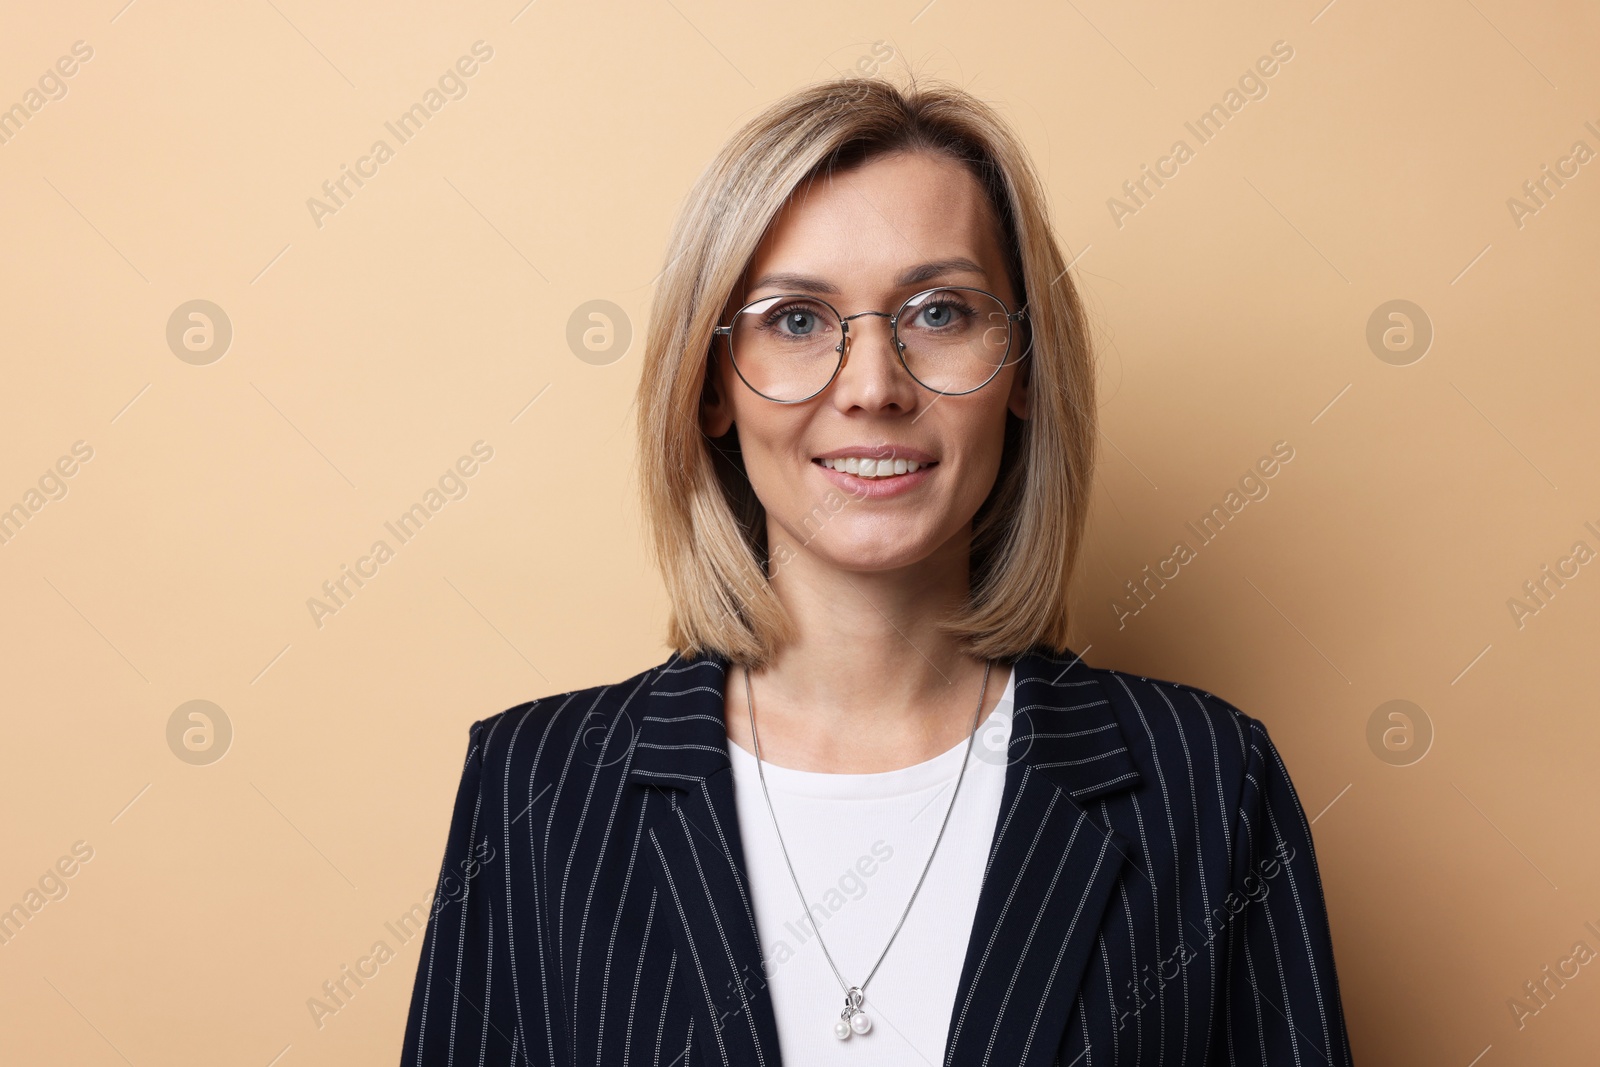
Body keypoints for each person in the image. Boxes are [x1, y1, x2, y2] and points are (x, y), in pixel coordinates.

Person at [400, 74, 1355, 1066]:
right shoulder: (535, 788)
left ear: (1024, 367)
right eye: (797, 319)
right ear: (712, 384)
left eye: (940, 311)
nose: (872, 388)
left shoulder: (1207, 781)